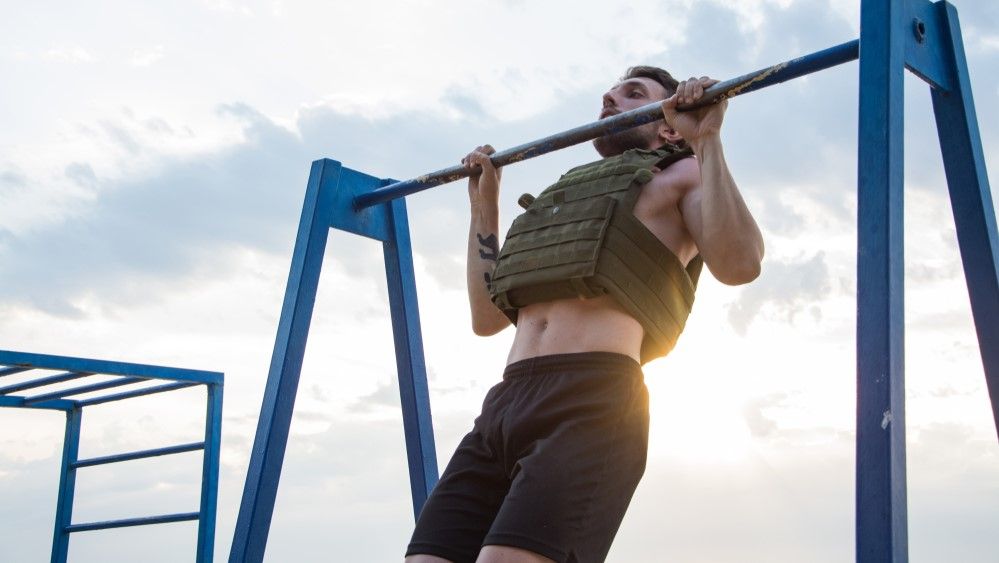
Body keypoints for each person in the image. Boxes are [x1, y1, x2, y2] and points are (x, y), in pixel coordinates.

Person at [405, 66, 764, 563]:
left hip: (591, 398)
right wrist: (483, 210)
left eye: (632, 94)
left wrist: (706, 141)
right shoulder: (566, 194)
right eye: (609, 94)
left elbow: (741, 264)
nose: (611, 100)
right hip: (505, 402)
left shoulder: (684, 172)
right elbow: (487, 318)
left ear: (666, 122)